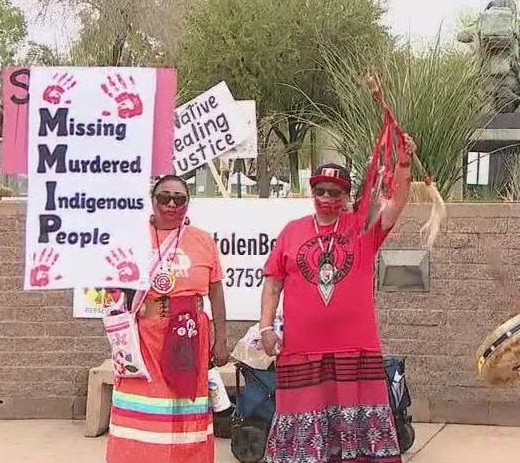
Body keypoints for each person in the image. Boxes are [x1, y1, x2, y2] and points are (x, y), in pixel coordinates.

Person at [258, 133, 415, 463]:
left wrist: (404, 162)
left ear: (346, 196)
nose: (327, 197)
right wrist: (266, 328)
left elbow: (397, 201)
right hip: (302, 352)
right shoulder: (292, 231)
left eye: (335, 192)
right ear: (312, 192)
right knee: (304, 437)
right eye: (321, 191)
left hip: (354, 351)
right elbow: (273, 283)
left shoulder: (362, 227)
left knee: (356, 439)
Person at [106, 175, 229, 463]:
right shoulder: (132, 238)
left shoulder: (202, 240)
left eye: (179, 198)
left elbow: (216, 291)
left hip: (190, 337)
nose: (172, 204)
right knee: (144, 405)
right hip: (145, 340)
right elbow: (112, 288)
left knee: (185, 408)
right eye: (165, 197)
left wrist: (221, 338)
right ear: (153, 201)